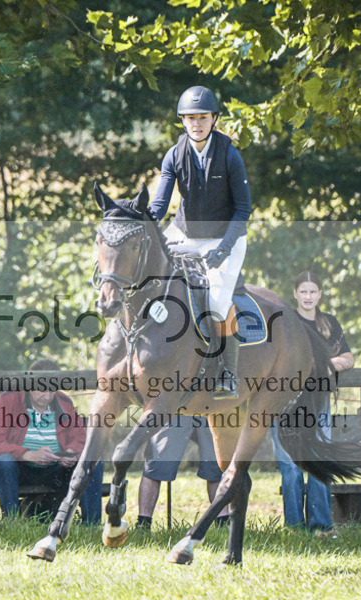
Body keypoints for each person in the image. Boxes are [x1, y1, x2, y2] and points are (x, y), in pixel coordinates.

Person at [149, 85, 252, 399]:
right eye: (190, 118)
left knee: (218, 302)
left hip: (225, 237)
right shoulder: (174, 154)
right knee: (150, 276)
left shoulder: (230, 155)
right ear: (182, 120)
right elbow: (158, 206)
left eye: (203, 117)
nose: (196, 123)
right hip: (185, 233)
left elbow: (244, 209)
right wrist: (143, 228)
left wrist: (223, 249)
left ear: (214, 119)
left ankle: (226, 372)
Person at [271, 271, 354, 534]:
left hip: (318, 405)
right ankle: (294, 528)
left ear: (319, 295)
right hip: (284, 405)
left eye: (312, 292)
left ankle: (322, 526)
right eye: (303, 292)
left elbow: (348, 358)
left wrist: (328, 365)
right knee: (290, 467)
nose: (308, 297)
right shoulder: (285, 321)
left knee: (318, 461)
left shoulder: (329, 323)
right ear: (295, 294)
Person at [0, 359, 103, 523]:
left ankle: (91, 526)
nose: (47, 396)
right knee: (4, 462)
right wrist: (27, 454)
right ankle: (11, 522)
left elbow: (79, 437)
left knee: (93, 463)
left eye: (52, 390)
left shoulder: (64, 403)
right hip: (20, 470)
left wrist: (71, 453)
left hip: (55, 470)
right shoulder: (9, 400)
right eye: (42, 390)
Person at [135, 415, 228, 530]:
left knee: (217, 468)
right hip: (176, 405)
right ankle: (143, 525)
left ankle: (223, 525)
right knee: (155, 466)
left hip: (210, 405)